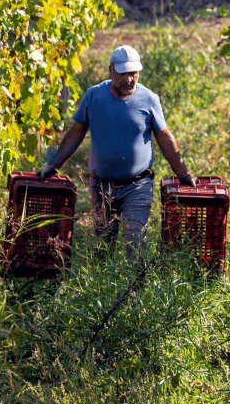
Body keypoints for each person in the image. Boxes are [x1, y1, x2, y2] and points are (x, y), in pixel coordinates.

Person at [39, 44, 195, 255]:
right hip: (102, 186)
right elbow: (76, 132)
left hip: (137, 185)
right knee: (103, 244)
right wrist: (54, 165)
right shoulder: (94, 97)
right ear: (111, 70)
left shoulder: (149, 99)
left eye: (134, 74)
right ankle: (103, 287)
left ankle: (135, 287)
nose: (129, 80)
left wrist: (183, 173)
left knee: (136, 240)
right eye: (123, 74)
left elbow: (164, 138)